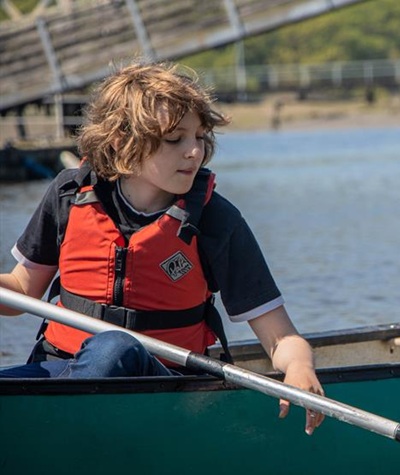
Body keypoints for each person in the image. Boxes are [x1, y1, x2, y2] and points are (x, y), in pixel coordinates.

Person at [0, 61, 324, 435]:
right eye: (175, 140)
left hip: (162, 385)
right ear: (122, 142)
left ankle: (56, 435)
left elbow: (281, 337)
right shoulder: (69, 195)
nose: (194, 152)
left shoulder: (215, 220)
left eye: (200, 137)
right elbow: (22, 290)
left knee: (113, 348)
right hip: (62, 370)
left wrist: (299, 368)